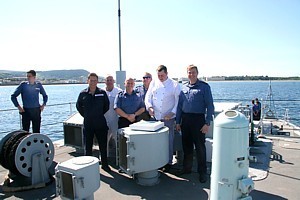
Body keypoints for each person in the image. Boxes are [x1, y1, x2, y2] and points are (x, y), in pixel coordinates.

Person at [176, 65, 214, 183]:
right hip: (186, 119)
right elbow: (179, 106)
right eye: (189, 72)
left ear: (197, 73)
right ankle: (186, 168)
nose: (191, 74)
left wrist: (207, 123)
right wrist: (178, 122)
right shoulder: (183, 88)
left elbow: (210, 106)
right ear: (187, 74)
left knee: (200, 148)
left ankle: (202, 172)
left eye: (193, 72)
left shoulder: (204, 87)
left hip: (198, 120)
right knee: (186, 146)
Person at [145, 65, 181, 172]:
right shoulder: (153, 83)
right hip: (156, 117)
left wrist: (172, 113)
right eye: (159, 75)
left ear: (167, 73)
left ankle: (168, 162)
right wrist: (149, 107)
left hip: (168, 118)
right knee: (156, 141)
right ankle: (158, 161)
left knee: (168, 141)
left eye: (162, 75)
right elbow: (148, 97)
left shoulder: (174, 84)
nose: (160, 77)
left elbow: (177, 101)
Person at [76, 73, 111, 172]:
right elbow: (78, 106)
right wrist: (87, 115)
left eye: (95, 80)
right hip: (88, 124)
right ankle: (88, 167)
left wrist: (97, 114)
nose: (93, 82)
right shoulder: (83, 94)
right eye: (91, 80)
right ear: (88, 81)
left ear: (97, 81)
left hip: (100, 123)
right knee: (88, 146)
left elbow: (106, 106)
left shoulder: (102, 93)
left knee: (103, 146)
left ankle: (105, 165)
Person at [102, 75, 122, 157]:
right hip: (104, 119)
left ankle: (119, 158)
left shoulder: (119, 91)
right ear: (105, 81)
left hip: (115, 119)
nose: (109, 82)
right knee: (103, 140)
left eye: (111, 80)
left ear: (114, 81)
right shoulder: (101, 91)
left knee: (117, 139)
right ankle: (104, 158)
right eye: (107, 80)